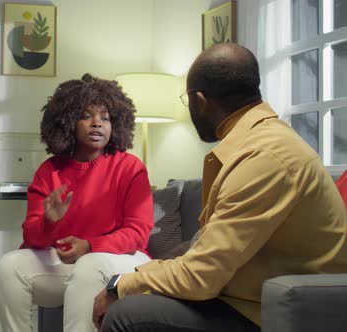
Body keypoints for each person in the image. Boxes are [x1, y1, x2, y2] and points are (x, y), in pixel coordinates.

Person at [93, 43, 347, 332]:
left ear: (200, 100)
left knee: (127, 313)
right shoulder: (259, 143)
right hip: (248, 298)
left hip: (279, 313)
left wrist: (119, 285)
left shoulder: (264, 158)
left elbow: (201, 277)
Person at [0, 74, 154, 332]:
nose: (97, 124)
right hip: (71, 267)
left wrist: (90, 245)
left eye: (105, 117)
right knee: (8, 267)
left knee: (90, 265)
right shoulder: (49, 172)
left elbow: (138, 233)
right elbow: (32, 238)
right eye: (86, 116)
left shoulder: (130, 167)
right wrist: (49, 221)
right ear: (67, 122)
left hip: (122, 264)